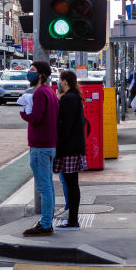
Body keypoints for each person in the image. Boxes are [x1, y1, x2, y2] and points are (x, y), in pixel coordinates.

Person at [19, 61, 59, 236]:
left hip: (40, 146)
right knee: (48, 185)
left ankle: (45, 224)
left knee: (44, 187)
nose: (29, 73)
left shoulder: (40, 93)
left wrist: (23, 113)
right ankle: (46, 221)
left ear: (41, 75)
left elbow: (36, 118)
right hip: (49, 145)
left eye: (33, 70)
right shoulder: (50, 92)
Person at [53, 70, 87, 230]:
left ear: (65, 81)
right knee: (72, 183)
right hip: (74, 147)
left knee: (71, 184)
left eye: (60, 80)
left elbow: (64, 126)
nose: (58, 82)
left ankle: (73, 220)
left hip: (68, 148)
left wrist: (57, 146)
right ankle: (73, 219)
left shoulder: (69, 99)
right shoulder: (74, 97)